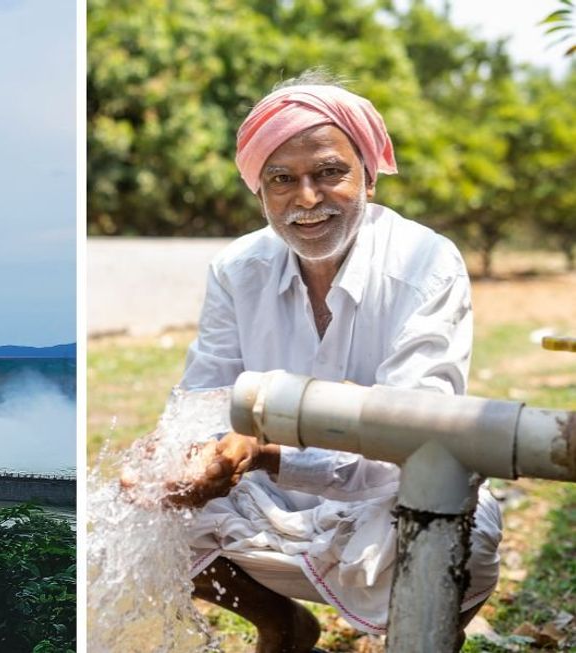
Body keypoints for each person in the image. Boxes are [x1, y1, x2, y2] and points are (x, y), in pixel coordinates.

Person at [167, 72, 502, 653]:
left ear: (368, 175)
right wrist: (185, 454)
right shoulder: (236, 269)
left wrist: (268, 451)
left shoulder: (425, 262)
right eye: (282, 180)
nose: (307, 198)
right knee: (154, 500)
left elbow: (416, 438)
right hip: (269, 495)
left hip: (384, 495)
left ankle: (421, 638)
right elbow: (202, 398)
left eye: (329, 172)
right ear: (260, 191)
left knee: (459, 538)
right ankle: (283, 625)